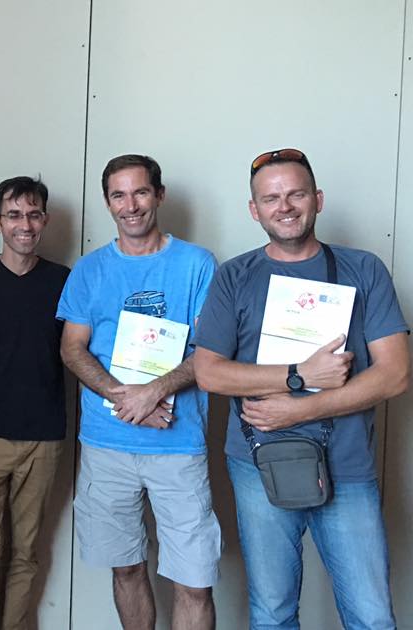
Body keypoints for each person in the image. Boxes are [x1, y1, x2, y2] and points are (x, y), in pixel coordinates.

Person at [193, 148, 410, 629]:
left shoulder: (364, 268)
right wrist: (299, 376)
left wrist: (300, 409)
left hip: (347, 465)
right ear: (254, 210)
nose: (285, 206)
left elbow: (396, 373)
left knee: (372, 617)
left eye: (296, 194)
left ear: (318, 199)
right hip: (258, 465)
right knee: (272, 613)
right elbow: (209, 372)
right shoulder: (234, 276)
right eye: (271, 198)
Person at [57, 155, 221, 630]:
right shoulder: (89, 269)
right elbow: (72, 348)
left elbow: (211, 350)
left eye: (141, 192)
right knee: (126, 568)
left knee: (194, 582)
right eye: (119, 195)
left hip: (179, 445)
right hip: (107, 444)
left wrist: (154, 392)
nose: (130, 206)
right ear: (108, 202)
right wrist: (125, 398)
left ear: (159, 195)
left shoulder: (196, 264)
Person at [0, 176, 69, 630]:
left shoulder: (64, 280)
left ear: (45, 219)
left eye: (33, 214)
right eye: (14, 215)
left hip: (44, 437)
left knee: (26, 554)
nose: (25, 224)